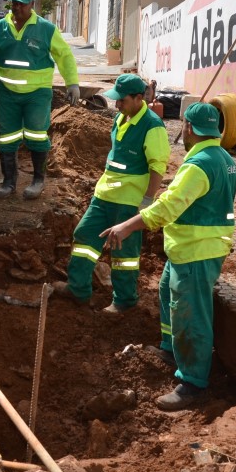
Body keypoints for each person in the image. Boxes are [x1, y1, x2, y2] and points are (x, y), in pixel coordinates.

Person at [100, 102, 236, 411]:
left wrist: (126, 226)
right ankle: (169, 349)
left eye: (183, 126)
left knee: (192, 316)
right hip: (196, 247)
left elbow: (167, 210)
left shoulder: (198, 165)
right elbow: (206, 199)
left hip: (197, 251)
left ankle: (193, 383)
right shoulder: (224, 158)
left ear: (188, 128)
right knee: (165, 292)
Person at [55, 73, 169, 314]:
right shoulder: (122, 117)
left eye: (122, 100)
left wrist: (147, 201)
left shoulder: (152, 126)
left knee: (124, 254)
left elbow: (158, 167)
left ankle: (124, 301)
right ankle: (78, 289)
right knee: (84, 235)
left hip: (128, 202)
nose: (117, 105)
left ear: (139, 98)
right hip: (104, 196)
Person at [0, 0, 80, 199]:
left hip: (37, 93)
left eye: (21, 4)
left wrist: (72, 83)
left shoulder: (45, 29)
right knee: (7, 138)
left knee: (36, 134)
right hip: (7, 93)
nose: (16, 7)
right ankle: (8, 182)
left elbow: (64, 55)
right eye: (14, 3)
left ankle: (37, 180)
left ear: (32, 5)